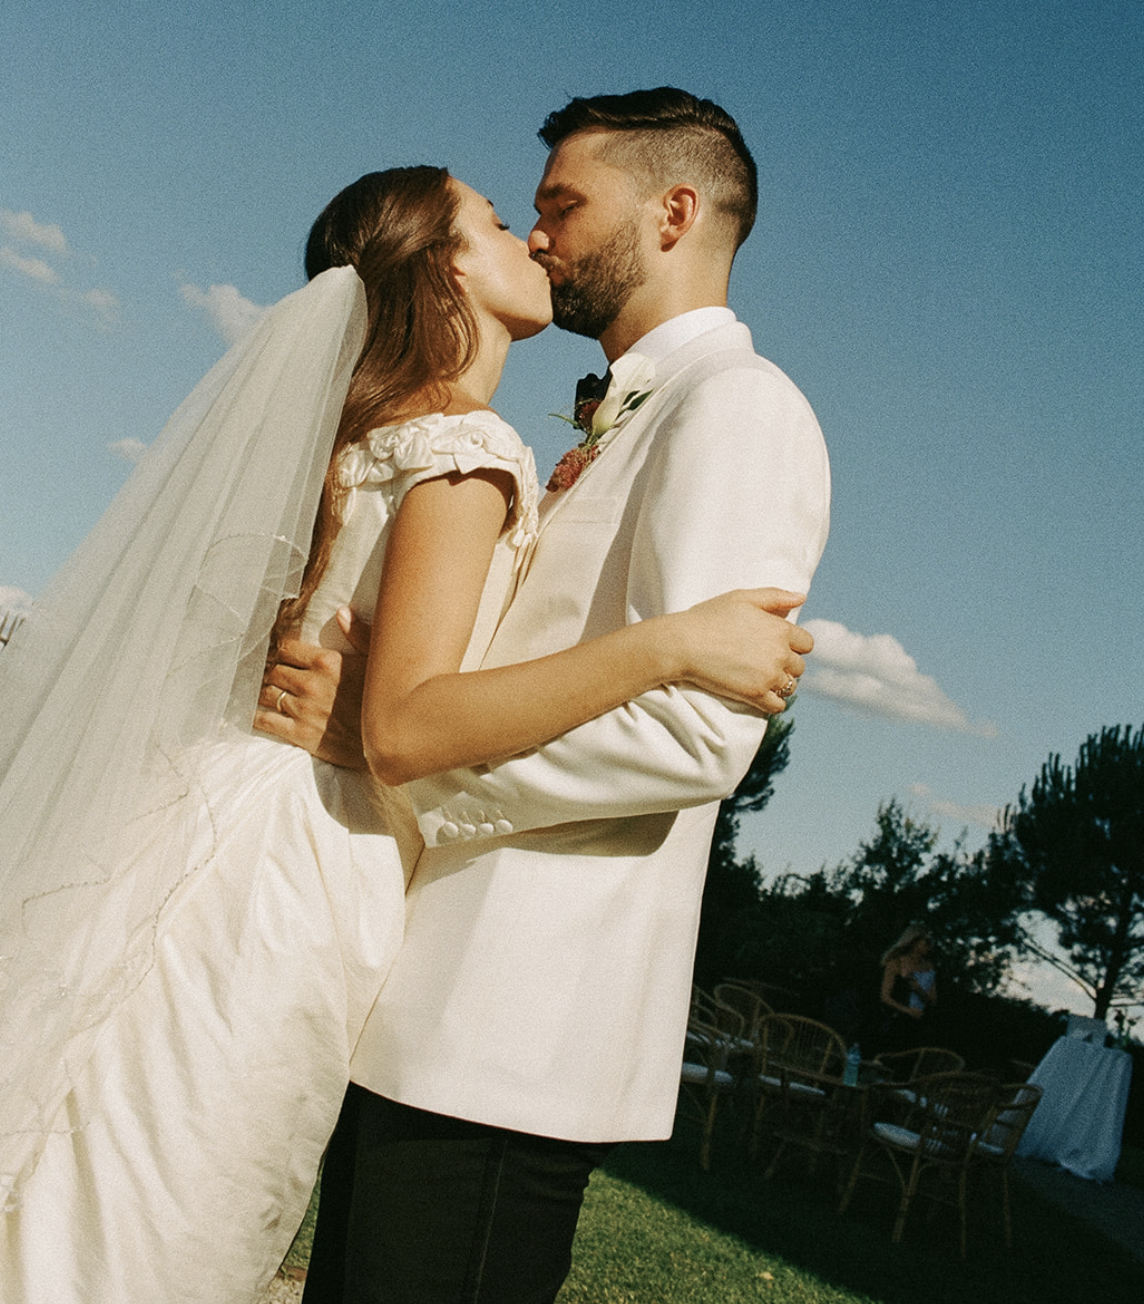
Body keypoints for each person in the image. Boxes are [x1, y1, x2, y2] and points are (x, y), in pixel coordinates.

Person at [0, 164, 808, 1304]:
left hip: (222, 819)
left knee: (101, 1156)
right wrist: (670, 644)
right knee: (167, 1197)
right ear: (444, 269)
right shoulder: (461, 447)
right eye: (493, 219)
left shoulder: (370, 433)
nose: (528, 234)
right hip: (296, 864)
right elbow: (404, 723)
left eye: (547, 208)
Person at [272, 88, 832, 1304]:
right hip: (420, 1002)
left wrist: (403, 762)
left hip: (513, 1030)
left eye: (562, 207)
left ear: (674, 211)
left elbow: (691, 737)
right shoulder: (621, 417)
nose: (538, 238)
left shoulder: (741, 409)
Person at [879, 924, 938, 1032]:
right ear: (914, 940)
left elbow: (933, 1000)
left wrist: (918, 990)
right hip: (895, 1020)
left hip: (920, 1022)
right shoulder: (896, 963)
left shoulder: (928, 966)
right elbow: (885, 997)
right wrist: (907, 1011)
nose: (929, 946)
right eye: (927, 942)